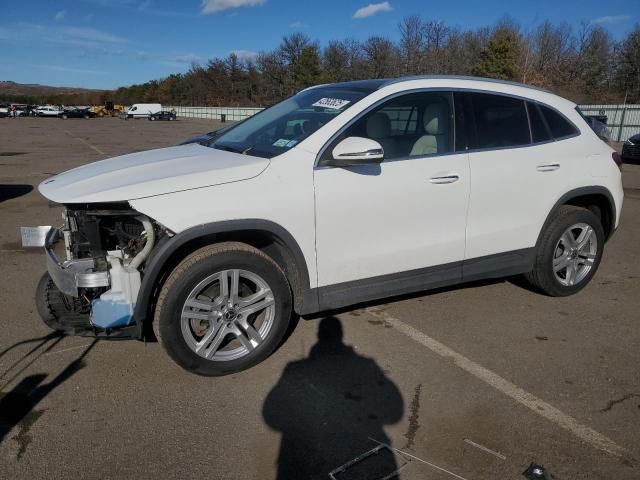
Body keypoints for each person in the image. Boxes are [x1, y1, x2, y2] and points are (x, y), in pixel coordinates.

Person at [263, 316, 404, 479]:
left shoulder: (295, 368)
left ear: (319, 335)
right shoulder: (365, 365)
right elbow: (395, 412)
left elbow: (270, 414)